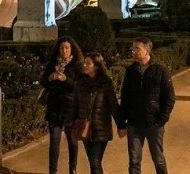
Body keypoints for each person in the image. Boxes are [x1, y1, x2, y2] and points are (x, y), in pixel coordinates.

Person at [117, 37, 175, 174]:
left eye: (137, 48)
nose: (133, 51)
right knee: (134, 161)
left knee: (158, 159)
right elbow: (125, 98)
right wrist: (121, 123)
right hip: (134, 124)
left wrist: (161, 120)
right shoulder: (130, 71)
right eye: (133, 48)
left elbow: (170, 98)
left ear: (147, 50)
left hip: (154, 123)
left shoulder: (160, 70)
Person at [42, 36, 83, 174]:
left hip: (70, 107)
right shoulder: (52, 63)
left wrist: (66, 79)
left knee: (72, 140)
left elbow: (80, 85)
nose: (64, 50)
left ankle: (73, 168)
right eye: (61, 48)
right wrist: (50, 78)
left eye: (67, 48)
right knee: (54, 141)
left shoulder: (77, 65)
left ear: (72, 49)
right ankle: (52, 170)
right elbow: (43, 81)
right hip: (54, 107)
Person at [74, 52, 119, 174]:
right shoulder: (80, 82)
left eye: (88, 63)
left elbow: (113, 104)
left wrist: (121, 125)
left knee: (95, 161)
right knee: (92, 162)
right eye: (84, 63)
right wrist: (71, 121)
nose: (84, 65)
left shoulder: (105, 83)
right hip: (85, 127)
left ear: (96, 66)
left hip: (101, 128)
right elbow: (75, 103)